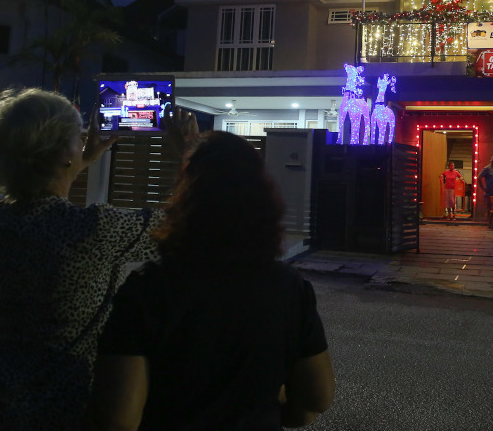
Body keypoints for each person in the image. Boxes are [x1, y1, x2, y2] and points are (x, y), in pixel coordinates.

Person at [0, 88, 198, 430]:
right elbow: (186, 225)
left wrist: (80, 160)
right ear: (63, 155)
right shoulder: (91, 230)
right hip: (62, 407)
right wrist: (187, 152)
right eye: (78, 138)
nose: (83, 141)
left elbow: (39, 190)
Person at [89, 130, 335, 430]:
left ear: (185, 198)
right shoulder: (289, 288)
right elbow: (316, 399)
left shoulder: (149, 289)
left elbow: (117, 419)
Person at [477, 154, 493, 230]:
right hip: (489, 193)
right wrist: (483, 188)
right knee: (489, 209)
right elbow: (479, 178)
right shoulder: (486, 168)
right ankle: (489, 224)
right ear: (490, 160)